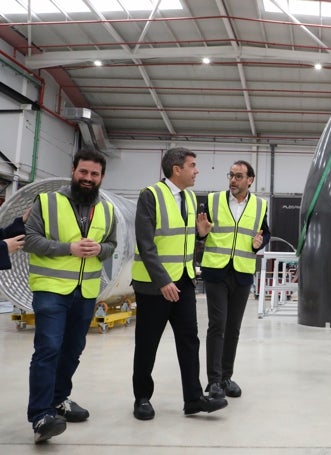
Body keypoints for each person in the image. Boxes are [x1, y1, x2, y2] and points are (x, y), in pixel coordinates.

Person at [24, 148, 117, 443]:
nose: (88, 179)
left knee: (73, 349)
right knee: (48, 348)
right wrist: (69, 248)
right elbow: (29, 239)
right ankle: (41, 415)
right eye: (84, 172)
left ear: (102, 177)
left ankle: (59, 400)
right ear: (73, 171)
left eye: (95, 174)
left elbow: (111, 244)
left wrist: (100, 249)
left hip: (86, 290)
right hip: (51, 287)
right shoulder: (47, 202)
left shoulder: (107, 209)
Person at [131, 147, 227, 421]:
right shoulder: (150, 195)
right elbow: (146, 243)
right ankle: (142, 398)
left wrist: (200, 236)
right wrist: (162, 281)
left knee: (189, 341)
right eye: (193, 165)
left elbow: (179, 241)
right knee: (147, 343)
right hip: (154, 286)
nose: (197, 170)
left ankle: (194, 399)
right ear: (177, 169)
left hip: (184, 281)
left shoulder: (189, 197)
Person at [198, 160, 270, 399]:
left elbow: (264, 231)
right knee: (217, 324)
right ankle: (214, 381)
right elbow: (199, 230)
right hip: (216, 271)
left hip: (242, 272)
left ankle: (227, 377)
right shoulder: (213, 200)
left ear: (250, 180)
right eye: (231, 175)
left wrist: (261, 243)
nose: (233, 180)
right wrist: (201, 233)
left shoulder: (260, 205)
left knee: (233, 328)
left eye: (239, 176)